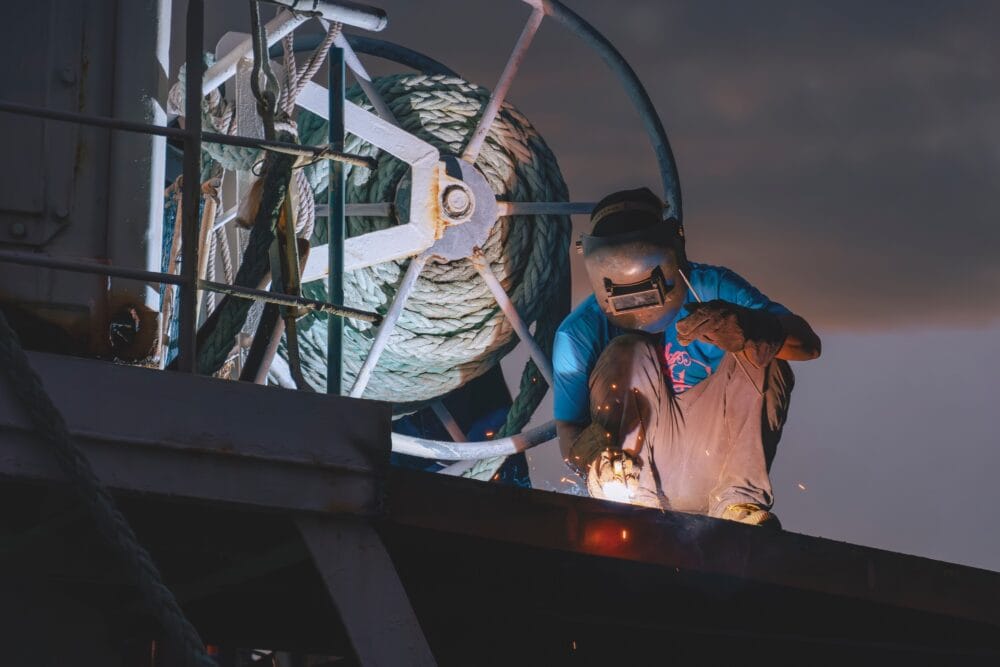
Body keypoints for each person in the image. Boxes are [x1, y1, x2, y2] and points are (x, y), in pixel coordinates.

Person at [553, 187, 821, 527]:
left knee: (764, 348)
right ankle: (633, 503)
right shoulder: (578, 333)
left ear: (672, 250)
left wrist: (749, 327)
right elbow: (568, 428)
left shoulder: (714, 287)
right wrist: (593, 457)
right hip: (635, 478)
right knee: (626, 351)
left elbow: (809, 346)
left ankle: (739, 507)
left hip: (718, 461)